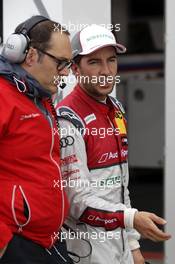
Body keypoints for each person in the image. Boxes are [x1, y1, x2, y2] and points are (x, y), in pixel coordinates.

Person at [57, 24, 171, 264]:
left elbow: (120, 185)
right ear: (76, 69)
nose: (106, 71)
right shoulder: (67, 119)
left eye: (111, 60)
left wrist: (133, 245)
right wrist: (131, 218)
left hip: (120, 243)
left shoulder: (115, 108)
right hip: (87, 249)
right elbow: (77, 203)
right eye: (94, 62)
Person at [0, 15, 73, 264]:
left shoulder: (39, 96)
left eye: (69, 64)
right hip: (15, 245)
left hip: (48, 241)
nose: (65, 73)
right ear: (30, 55)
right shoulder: (3, 97)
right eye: (60, 63)